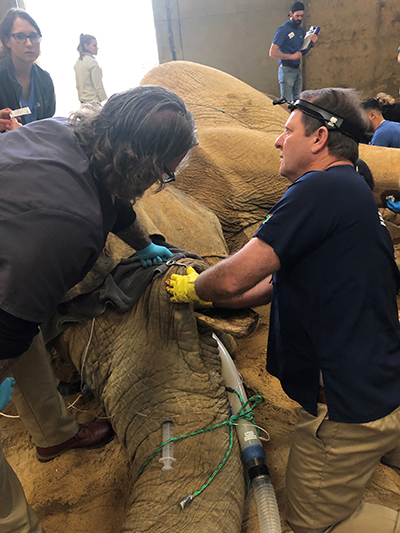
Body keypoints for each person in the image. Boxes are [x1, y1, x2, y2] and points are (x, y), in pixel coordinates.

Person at [166, 88, 400, 533]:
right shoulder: (353, 189)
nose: (277, 140)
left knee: (310, 525)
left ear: (318, 140)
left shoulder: (318, 188)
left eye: (286, 130)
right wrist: (217, 297)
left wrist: (195, 285)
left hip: (348, 409)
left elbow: (235, 276)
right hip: (384, 383)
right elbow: (269, 284)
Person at [0, 85, 198, 532]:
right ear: (141, 166)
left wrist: (146, 246)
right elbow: (11, 323)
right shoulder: (70, 227)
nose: (157, 185)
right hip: (16, 265)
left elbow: (115, 201)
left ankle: (54, 435)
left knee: (23, 330)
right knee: (14, 332)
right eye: (162, 175)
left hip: (12, 251)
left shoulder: (66, 134)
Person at [0, 8, 55, 124]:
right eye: (20, 36)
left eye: (34, 36)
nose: (29, 43)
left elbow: (47, 127)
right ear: (7, 41)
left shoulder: (45, 79)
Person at [269, 1, 318, 103]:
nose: (299, 18)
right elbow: (272, 52)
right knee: (286, 101)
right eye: (297, 16)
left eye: (301, 16)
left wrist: (311, 42)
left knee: (297, 102)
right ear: (291, 14)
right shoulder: (283, 30)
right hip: (286, 69)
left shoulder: (300, 31)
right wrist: (291, 56)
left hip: (297, 69)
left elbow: (302, 48)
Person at [74, 33, 107, 104]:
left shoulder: (78, 62)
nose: (97, 48)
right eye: (94, 45)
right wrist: (106, 102)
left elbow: (78, 86)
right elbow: (98, 86)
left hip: (83, 102)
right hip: (94, 102)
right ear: (86, 46)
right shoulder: (92, 63)